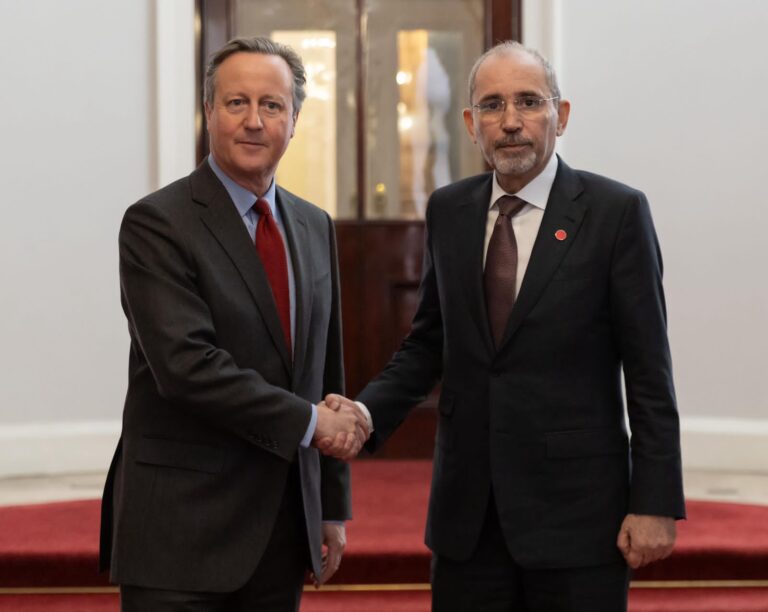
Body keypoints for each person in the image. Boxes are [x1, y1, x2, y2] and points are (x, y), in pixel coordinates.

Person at [324, 41, 685, 611]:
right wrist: (365, 414)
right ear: (472, 124)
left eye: (529, 101)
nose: (511, 121)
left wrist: (656, 501)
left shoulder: (616, 213)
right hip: (467, 520)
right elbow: (429, 344)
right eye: (492, 105)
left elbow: (649, 374)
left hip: (577, 519)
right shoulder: (450, 210)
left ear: (561, 116)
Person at [99, 36, 370, 612]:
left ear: (294, 121)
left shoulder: (313, 225)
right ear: (208, 112)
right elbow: (186, 367)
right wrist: (311, 423)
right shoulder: (157, 224)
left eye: (271, 105)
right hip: (181, 529)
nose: (254, 121)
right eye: (236, 103)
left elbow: (325, 371)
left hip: (281, 528)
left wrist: (328, 506)